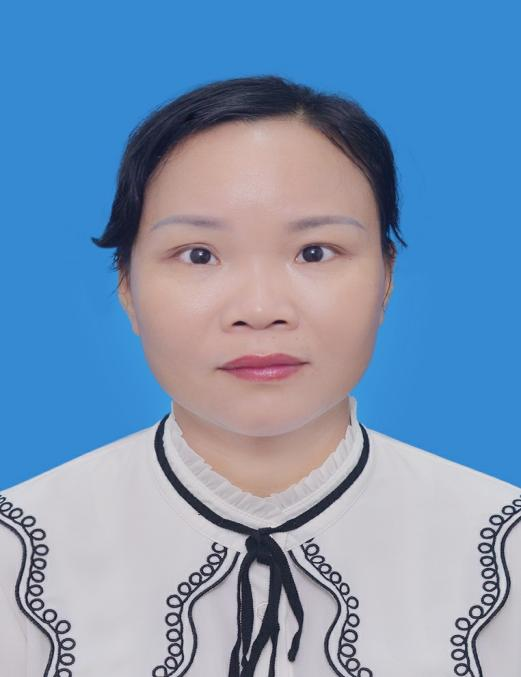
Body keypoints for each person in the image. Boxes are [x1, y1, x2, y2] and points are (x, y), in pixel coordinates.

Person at [1, 74, 520, 677]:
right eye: (199, 255)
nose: (260, 308)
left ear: (386, 277)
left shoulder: (501, 546)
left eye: (315, 252)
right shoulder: (20, 552)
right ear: (126, 286)